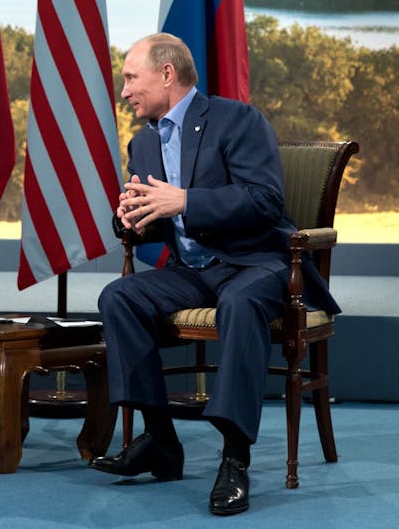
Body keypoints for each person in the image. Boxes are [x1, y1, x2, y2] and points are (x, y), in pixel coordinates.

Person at [89, 33, 339, 515]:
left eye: (130, 78)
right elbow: (153, 227)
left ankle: (234, 457)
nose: (124, 92)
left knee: (240, 303)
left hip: (257, 262)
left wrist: (185, 201)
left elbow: (266, 202)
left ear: (166, 74)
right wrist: (129, 220)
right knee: (120, 297)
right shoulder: (141, 144)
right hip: (192, 270)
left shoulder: (236, 120)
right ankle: (161, 441)